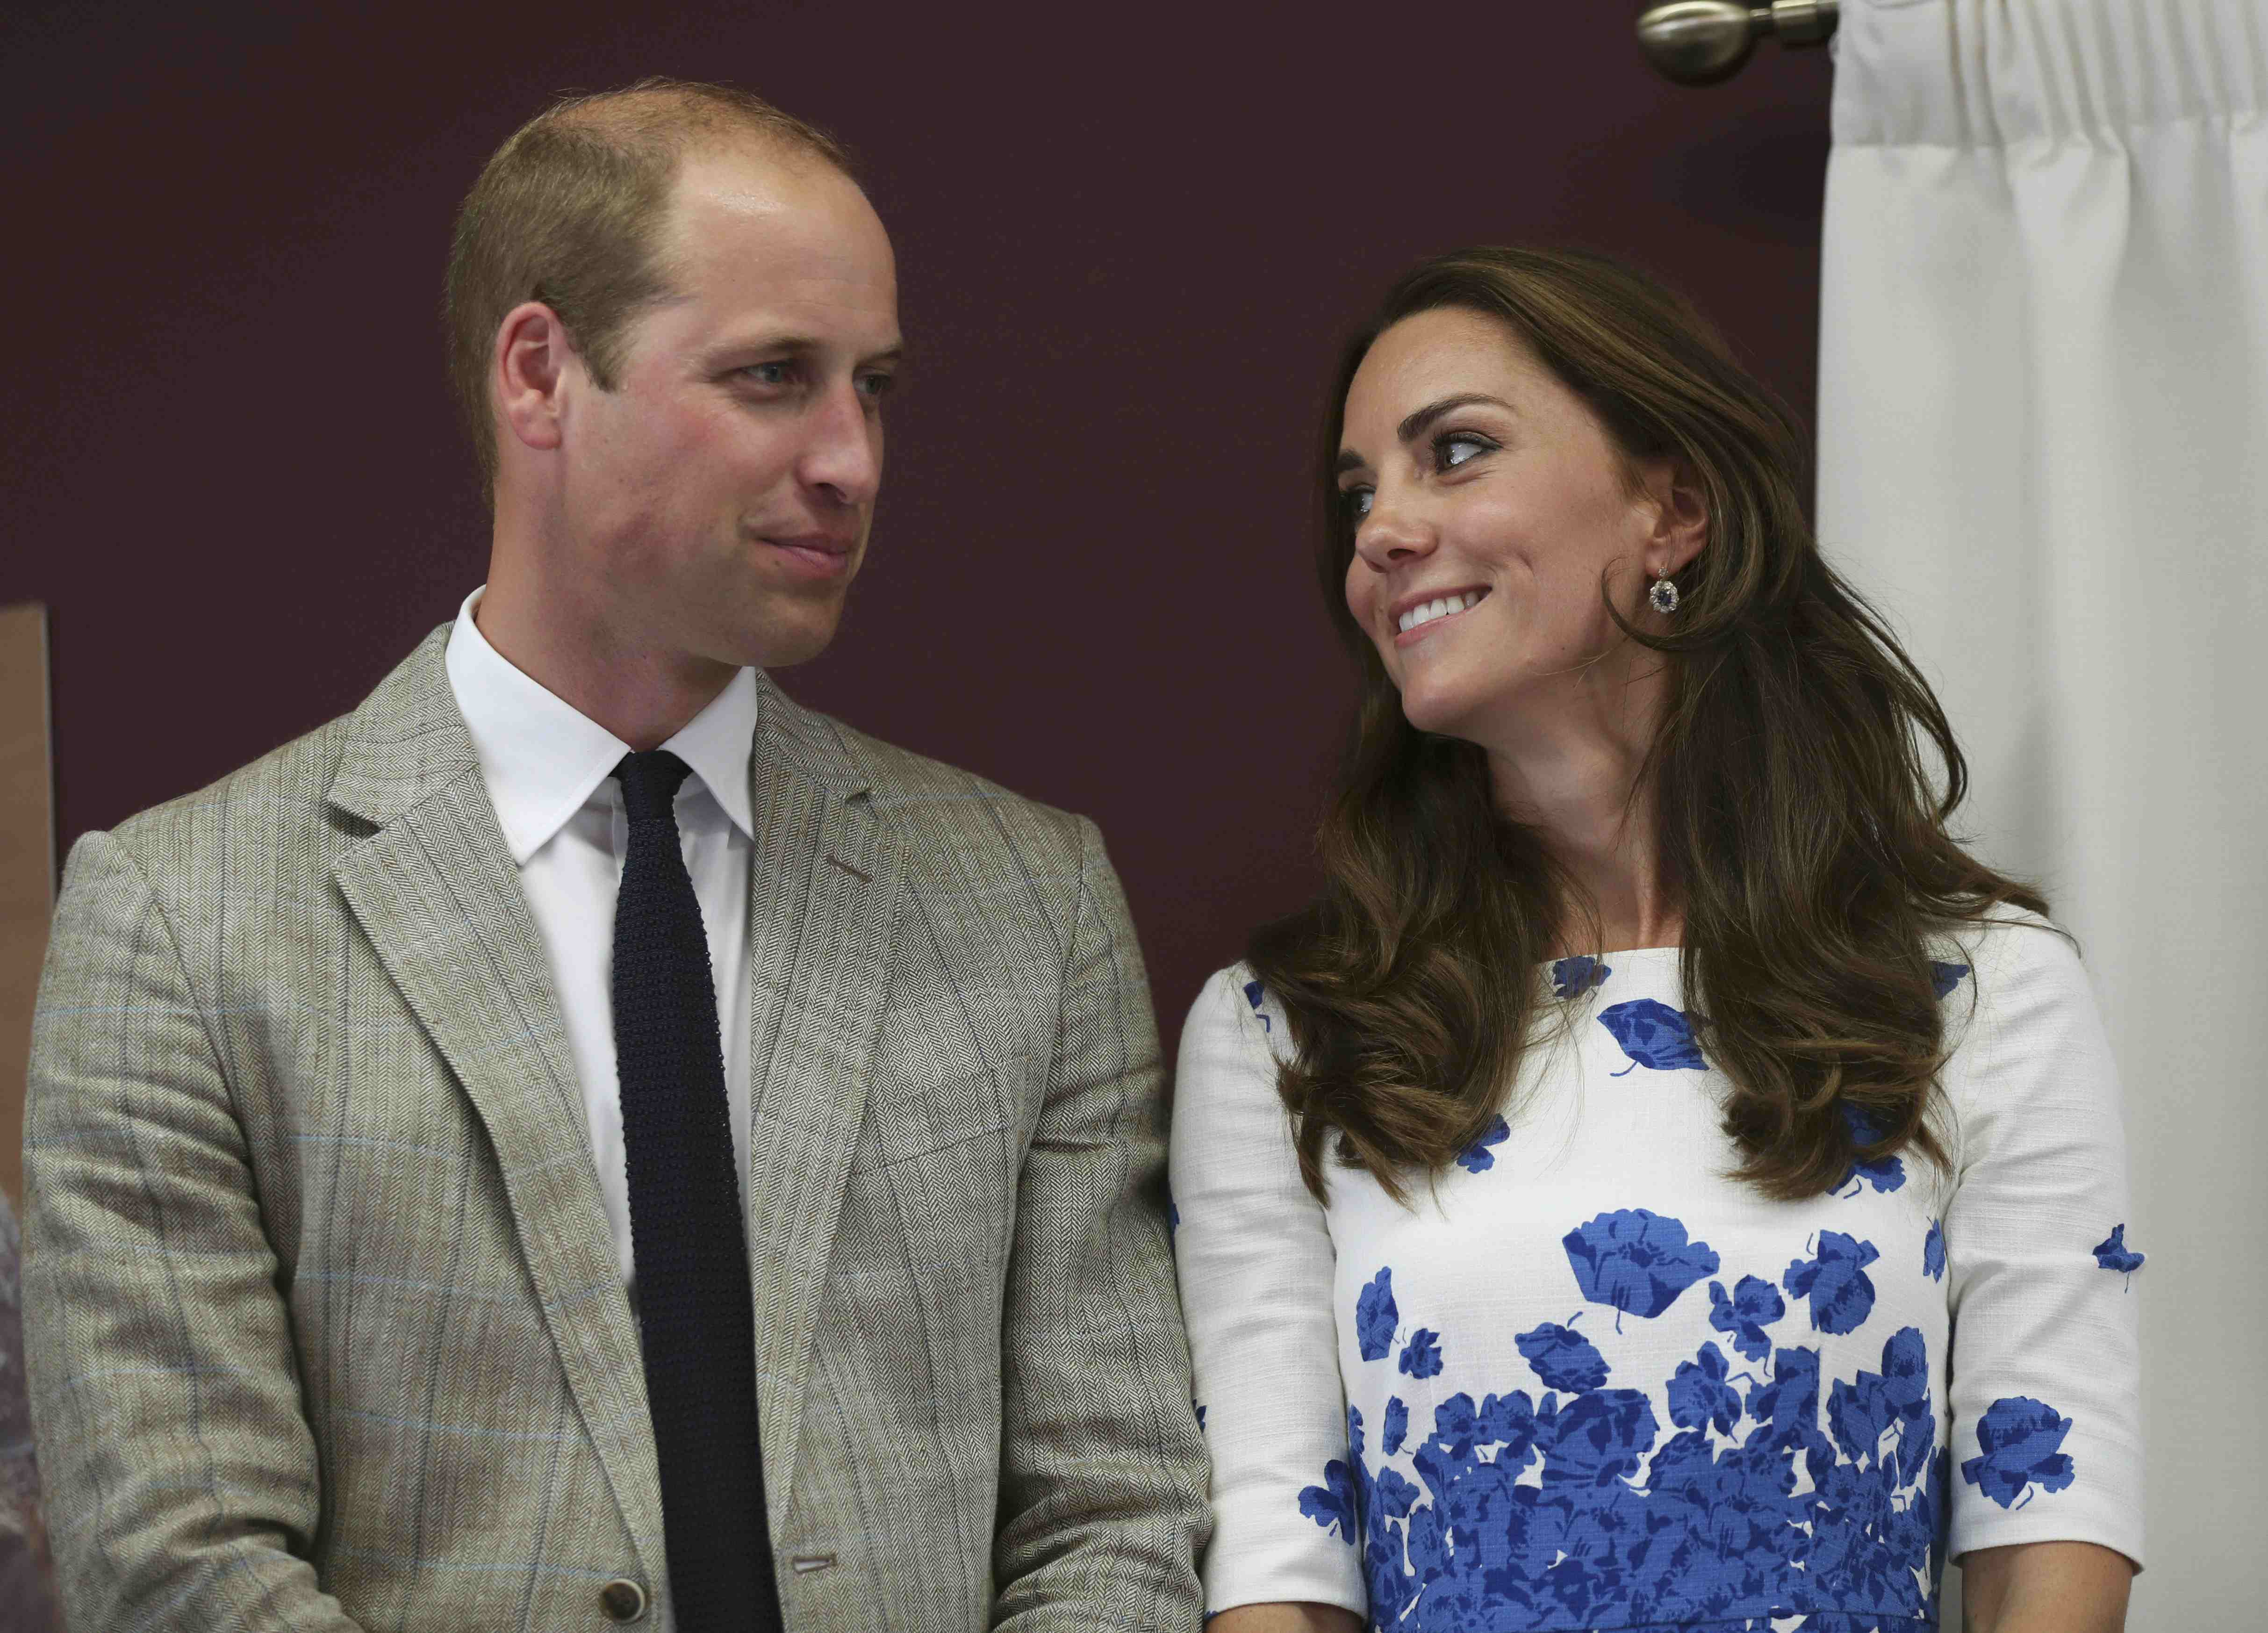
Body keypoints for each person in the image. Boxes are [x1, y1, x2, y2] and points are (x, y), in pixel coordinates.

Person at [22, 79, 1207, 1632]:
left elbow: (1115, 1513)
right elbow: (173, 1562)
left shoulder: (1025, 900)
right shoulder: (179, 921)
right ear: (540, 374)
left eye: (877, 385)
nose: (853, 458)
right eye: (774, 377)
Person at [1170, 248, 2143, 1633]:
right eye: (1357, 493)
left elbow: (2050, 1507)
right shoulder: (1284, 1029)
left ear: (1671, 511)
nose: (1381, 529)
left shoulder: (1979, 988)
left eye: (1453, 453)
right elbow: (1278, 1550)